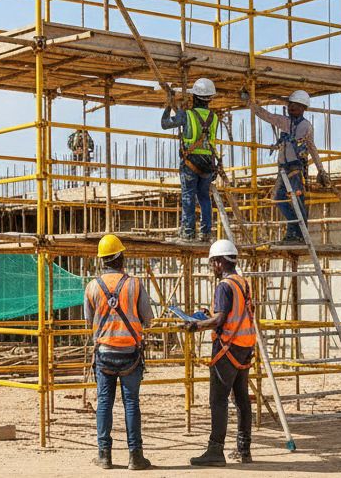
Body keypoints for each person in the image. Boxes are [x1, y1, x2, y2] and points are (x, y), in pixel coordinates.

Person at [84, 234, 153, 471]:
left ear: (102, 260)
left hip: (104, 354)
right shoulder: (134, 284)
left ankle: (104, 456)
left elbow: (88, 321)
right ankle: (136, 456)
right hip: (130, 354)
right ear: (121, 256)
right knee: (131, 403)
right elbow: (148, 318)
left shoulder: (92, 286)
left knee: (104, 403)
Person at [185, 239, 256, 466]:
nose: (212, 269)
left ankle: (215, 450)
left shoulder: (225, 286)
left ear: (218, 262)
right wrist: (210, 314)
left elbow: (221, 319)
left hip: (227, 349)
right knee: (242, 399)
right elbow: (233, 313)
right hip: (244, 347)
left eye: (212, 264)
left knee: (218, 399)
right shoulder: (242, 283)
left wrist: (196, 325)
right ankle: (244, 450)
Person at [243, 89, 329, 244]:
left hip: (295, 168)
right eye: (290, 105)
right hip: (283, 168)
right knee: (278, 198)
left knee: (297, 200)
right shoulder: (285, 122)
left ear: (303, 108)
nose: (291, 108)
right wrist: (250, 102)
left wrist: (321, 169)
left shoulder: (305, 126)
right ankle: (293, 229)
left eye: (295, 106)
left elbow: (312, 148)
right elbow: (266, 115)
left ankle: (300, 234)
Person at [162, 79, 220, 243]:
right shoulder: (214, 117)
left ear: (194, 97)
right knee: (204, 197)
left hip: (191, 162)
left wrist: (169, 107)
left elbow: (165, 124)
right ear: (209, 99)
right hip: (208, 163)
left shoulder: (187, 115)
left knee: (188, 196)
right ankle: (206, 232)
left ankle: (188, 232)